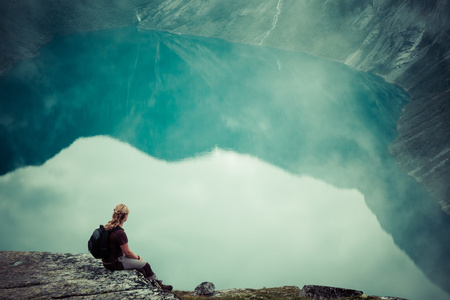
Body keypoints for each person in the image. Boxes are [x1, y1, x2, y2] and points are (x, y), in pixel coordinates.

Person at [102, 203, 173, 291]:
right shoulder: (120, 233)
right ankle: (158, 285)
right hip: (115, 262)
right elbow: (127, 253)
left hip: (107, 261)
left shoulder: (108, 226)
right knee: (145, 265)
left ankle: (151, 283)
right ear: (125, 216)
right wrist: (138, 257)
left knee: (138, 264)